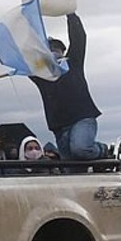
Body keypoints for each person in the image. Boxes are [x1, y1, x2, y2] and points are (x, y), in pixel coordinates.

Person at [28, 12, 107, 161]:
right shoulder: (41, 75)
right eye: (49, 50)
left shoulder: (73, 63)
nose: (54, 53)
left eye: (56, 50)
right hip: (59, 126)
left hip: (82, 118)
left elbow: (79, 39)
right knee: (73, 168)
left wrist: (71, 15)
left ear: (63, 52)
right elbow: (26, 59)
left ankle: (101, 149)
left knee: (81, 149)